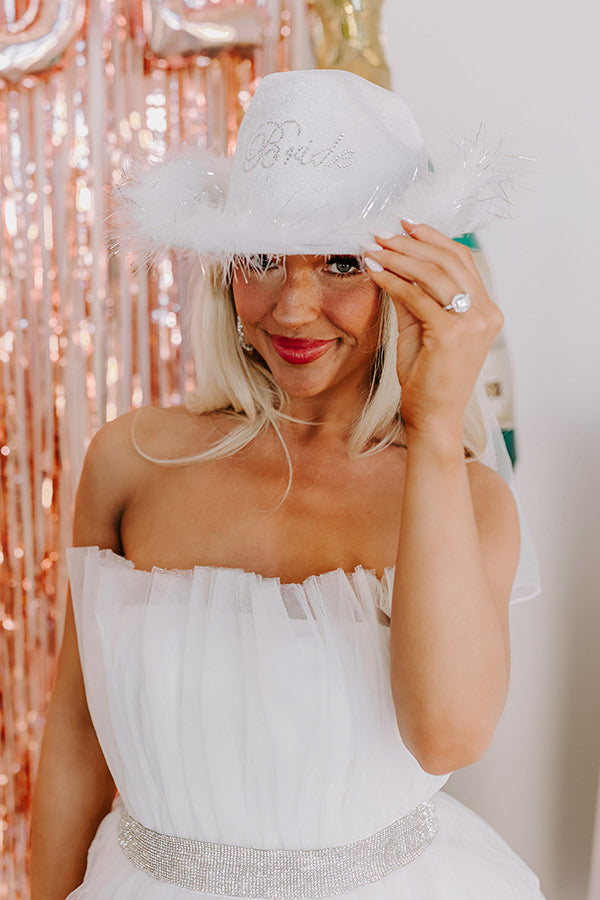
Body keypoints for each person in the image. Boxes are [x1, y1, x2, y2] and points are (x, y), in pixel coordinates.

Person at [30, 69, 544, 899]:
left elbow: (447, 736)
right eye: (263, 258)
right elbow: (78, 737)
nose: (293, 309)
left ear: (409, 273)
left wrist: (438, 423)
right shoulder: (131, 462)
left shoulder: (461, 496)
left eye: (343, 262)